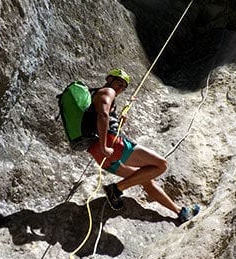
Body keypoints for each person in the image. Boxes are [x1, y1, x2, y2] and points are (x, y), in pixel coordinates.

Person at [84, 68, 200, 224]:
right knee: (160, 165)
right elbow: (103, 115)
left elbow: (103, 119)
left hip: (100, 155)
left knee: (146, 179)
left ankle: (180, 212)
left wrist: (119, 123)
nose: (119, 88)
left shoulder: (94, 97)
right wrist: (105, 145)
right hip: (111, 146)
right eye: (118, 83)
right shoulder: (107, 91)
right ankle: (116, 189)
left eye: (123, 87)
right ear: (109, 79)